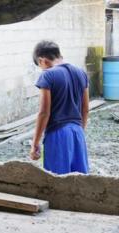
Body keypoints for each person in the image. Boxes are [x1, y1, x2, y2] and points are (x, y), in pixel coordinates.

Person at [30, 41, 89, 174]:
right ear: (59, 55)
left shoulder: (48, 75)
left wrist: (35, 143)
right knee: (81, 181)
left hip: (58, 134)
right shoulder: (81, 73)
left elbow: (44, 112)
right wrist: (80, 131)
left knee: (56, 182)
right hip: (78, 132)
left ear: (42, 61)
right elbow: (85, 109)